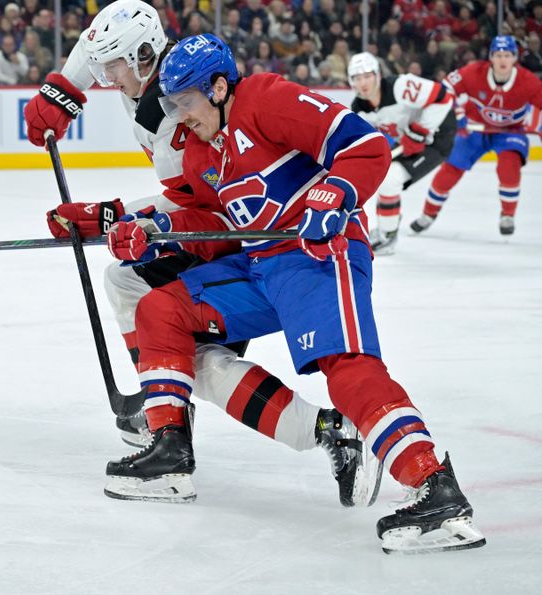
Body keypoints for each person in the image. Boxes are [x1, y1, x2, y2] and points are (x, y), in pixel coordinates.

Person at [104, 33, 486, 555]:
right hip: (259, 263)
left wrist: (335, 191)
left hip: (318, 253)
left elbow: (363, 146)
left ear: (218, 88)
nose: (179, 114)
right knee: (159, 309)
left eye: (185, 101)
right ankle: (170, 453)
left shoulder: (266, 98)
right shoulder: (198, 152)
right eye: (170, 103)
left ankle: (435, 487)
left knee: (347, 369)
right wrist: (153, 233)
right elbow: (218, 225)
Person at [21, 0, 380, 508]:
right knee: (159, 324)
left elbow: (197, 200)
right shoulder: (154, 74)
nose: (105, 78)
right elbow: (96, 38)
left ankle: (175, 414)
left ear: (144, 56)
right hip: (232, 226)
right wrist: (65, 85)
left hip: (238, 235)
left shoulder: (171, 112)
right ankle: (175, 408)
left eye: (111, 68)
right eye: (99, 70)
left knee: (164, 327)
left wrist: (111, 216)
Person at [411, 36, 542, 236]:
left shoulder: (529, 82)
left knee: (509, 165)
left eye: (507, 55)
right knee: (450, 170)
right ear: (491, 57)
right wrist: (458, 115)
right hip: (473, 128)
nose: (502, 60)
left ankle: (508, 215)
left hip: (510, 132)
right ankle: (428, 214)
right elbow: (445, 89)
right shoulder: (474, 72)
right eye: (498, 55)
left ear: (515, 58)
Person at [347, 52, 456, 254]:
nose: (364, 82)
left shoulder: (401, 86)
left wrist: (420, 131)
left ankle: (388, 237)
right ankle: (385, 227)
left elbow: (443, 98)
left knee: (390, 180)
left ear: (377, 75)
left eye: (368, 76)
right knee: (383, 178)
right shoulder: (359, 109)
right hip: (409, 140)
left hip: (437, 138)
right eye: (357, 78)